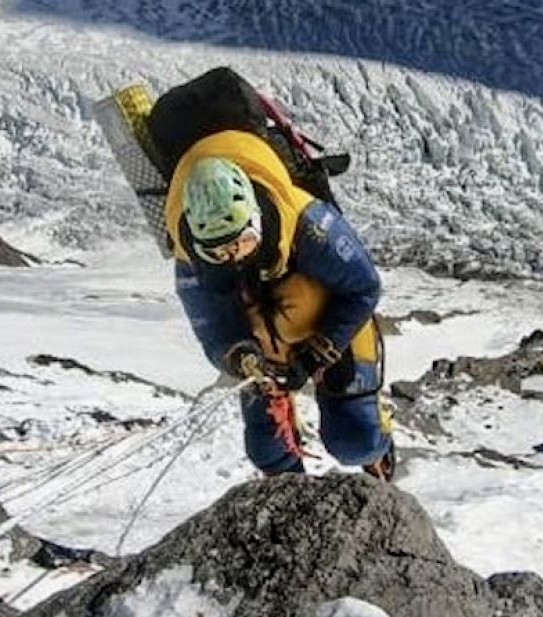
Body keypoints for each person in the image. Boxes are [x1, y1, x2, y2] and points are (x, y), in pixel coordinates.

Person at [164, 127, 395, 480]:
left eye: (242, 241)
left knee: (356, 440)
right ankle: (294, 499)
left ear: (257, 218)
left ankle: (376, 444)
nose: (232, 255)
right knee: (267, 451)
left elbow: (363, 288)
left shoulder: (308, 223)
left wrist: (318, 351)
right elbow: (213, 331)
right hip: (265, 343)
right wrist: (244, 360)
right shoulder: (190, 260)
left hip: (327, 322)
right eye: (218, 251)